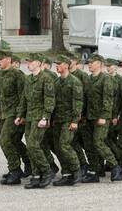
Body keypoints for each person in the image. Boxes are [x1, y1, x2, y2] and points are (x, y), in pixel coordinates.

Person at [81, 54, 122, 183]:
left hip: (101, 118)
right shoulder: (89, 79)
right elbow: (86, 100)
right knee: (90, 145)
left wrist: (104, 116)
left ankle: (115, 166)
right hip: (89, 117)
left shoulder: (106, 79)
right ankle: (94, 171)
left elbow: (108, 100)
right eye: (88, 62)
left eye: (92, 62)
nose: (89, 64)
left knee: (99, 142)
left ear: (100, 64)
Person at [15, 53, 55, 189]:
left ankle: (47, 171)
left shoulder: (46, 79)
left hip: (40, 118)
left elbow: (49, 100)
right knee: (31, 146)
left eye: (31, 62)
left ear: (39, 63)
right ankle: (36, 175)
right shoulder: (28, 79)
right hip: (30, 117)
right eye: (28, 61)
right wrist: (20, 115)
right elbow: (23, 99)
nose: (28, 64)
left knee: (33, 145)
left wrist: (45, 117)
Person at [0, 50, 25, 185]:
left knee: (5, 141)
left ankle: (15, 171)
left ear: (8, 60)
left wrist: (21, 114)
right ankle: (15, 169)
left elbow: (23, 97)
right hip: (4, 113)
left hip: (14, 114)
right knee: (9, 141)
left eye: (1, 59)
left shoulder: (17, 75)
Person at [50, 55, 83, 186]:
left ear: (66, 65)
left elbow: (78, 103)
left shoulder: (74, 82)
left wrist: (75, 120)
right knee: (58, 148)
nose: (57, 66)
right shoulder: (57, 82)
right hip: (58, 120)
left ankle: (77, 170)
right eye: (56, 64)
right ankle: (66, 174)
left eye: (59, 64)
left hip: (69, 120)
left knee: (64, 145)